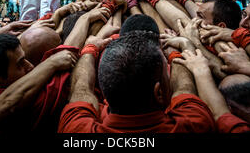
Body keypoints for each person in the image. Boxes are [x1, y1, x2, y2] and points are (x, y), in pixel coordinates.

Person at [59, 31, 215, 133]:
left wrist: (90, 49)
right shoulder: (195, 124)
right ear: (158, 92)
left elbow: (81, 89)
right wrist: (176, 53)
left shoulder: (75, 129)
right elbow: (184, 88)